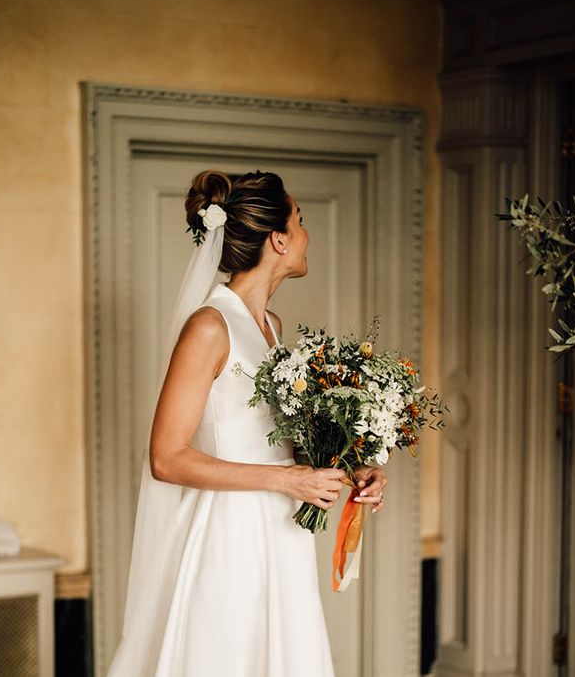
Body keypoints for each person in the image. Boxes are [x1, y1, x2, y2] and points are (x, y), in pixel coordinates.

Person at [106, 169, 387, 676]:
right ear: (278, 239)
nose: (306, 235)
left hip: (281, 532)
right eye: (300, 222)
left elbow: (276, 445)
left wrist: (350, 469)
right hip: (229, 535)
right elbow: (166, 458)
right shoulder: (210, 326)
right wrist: (286, 480)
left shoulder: (271, 328)